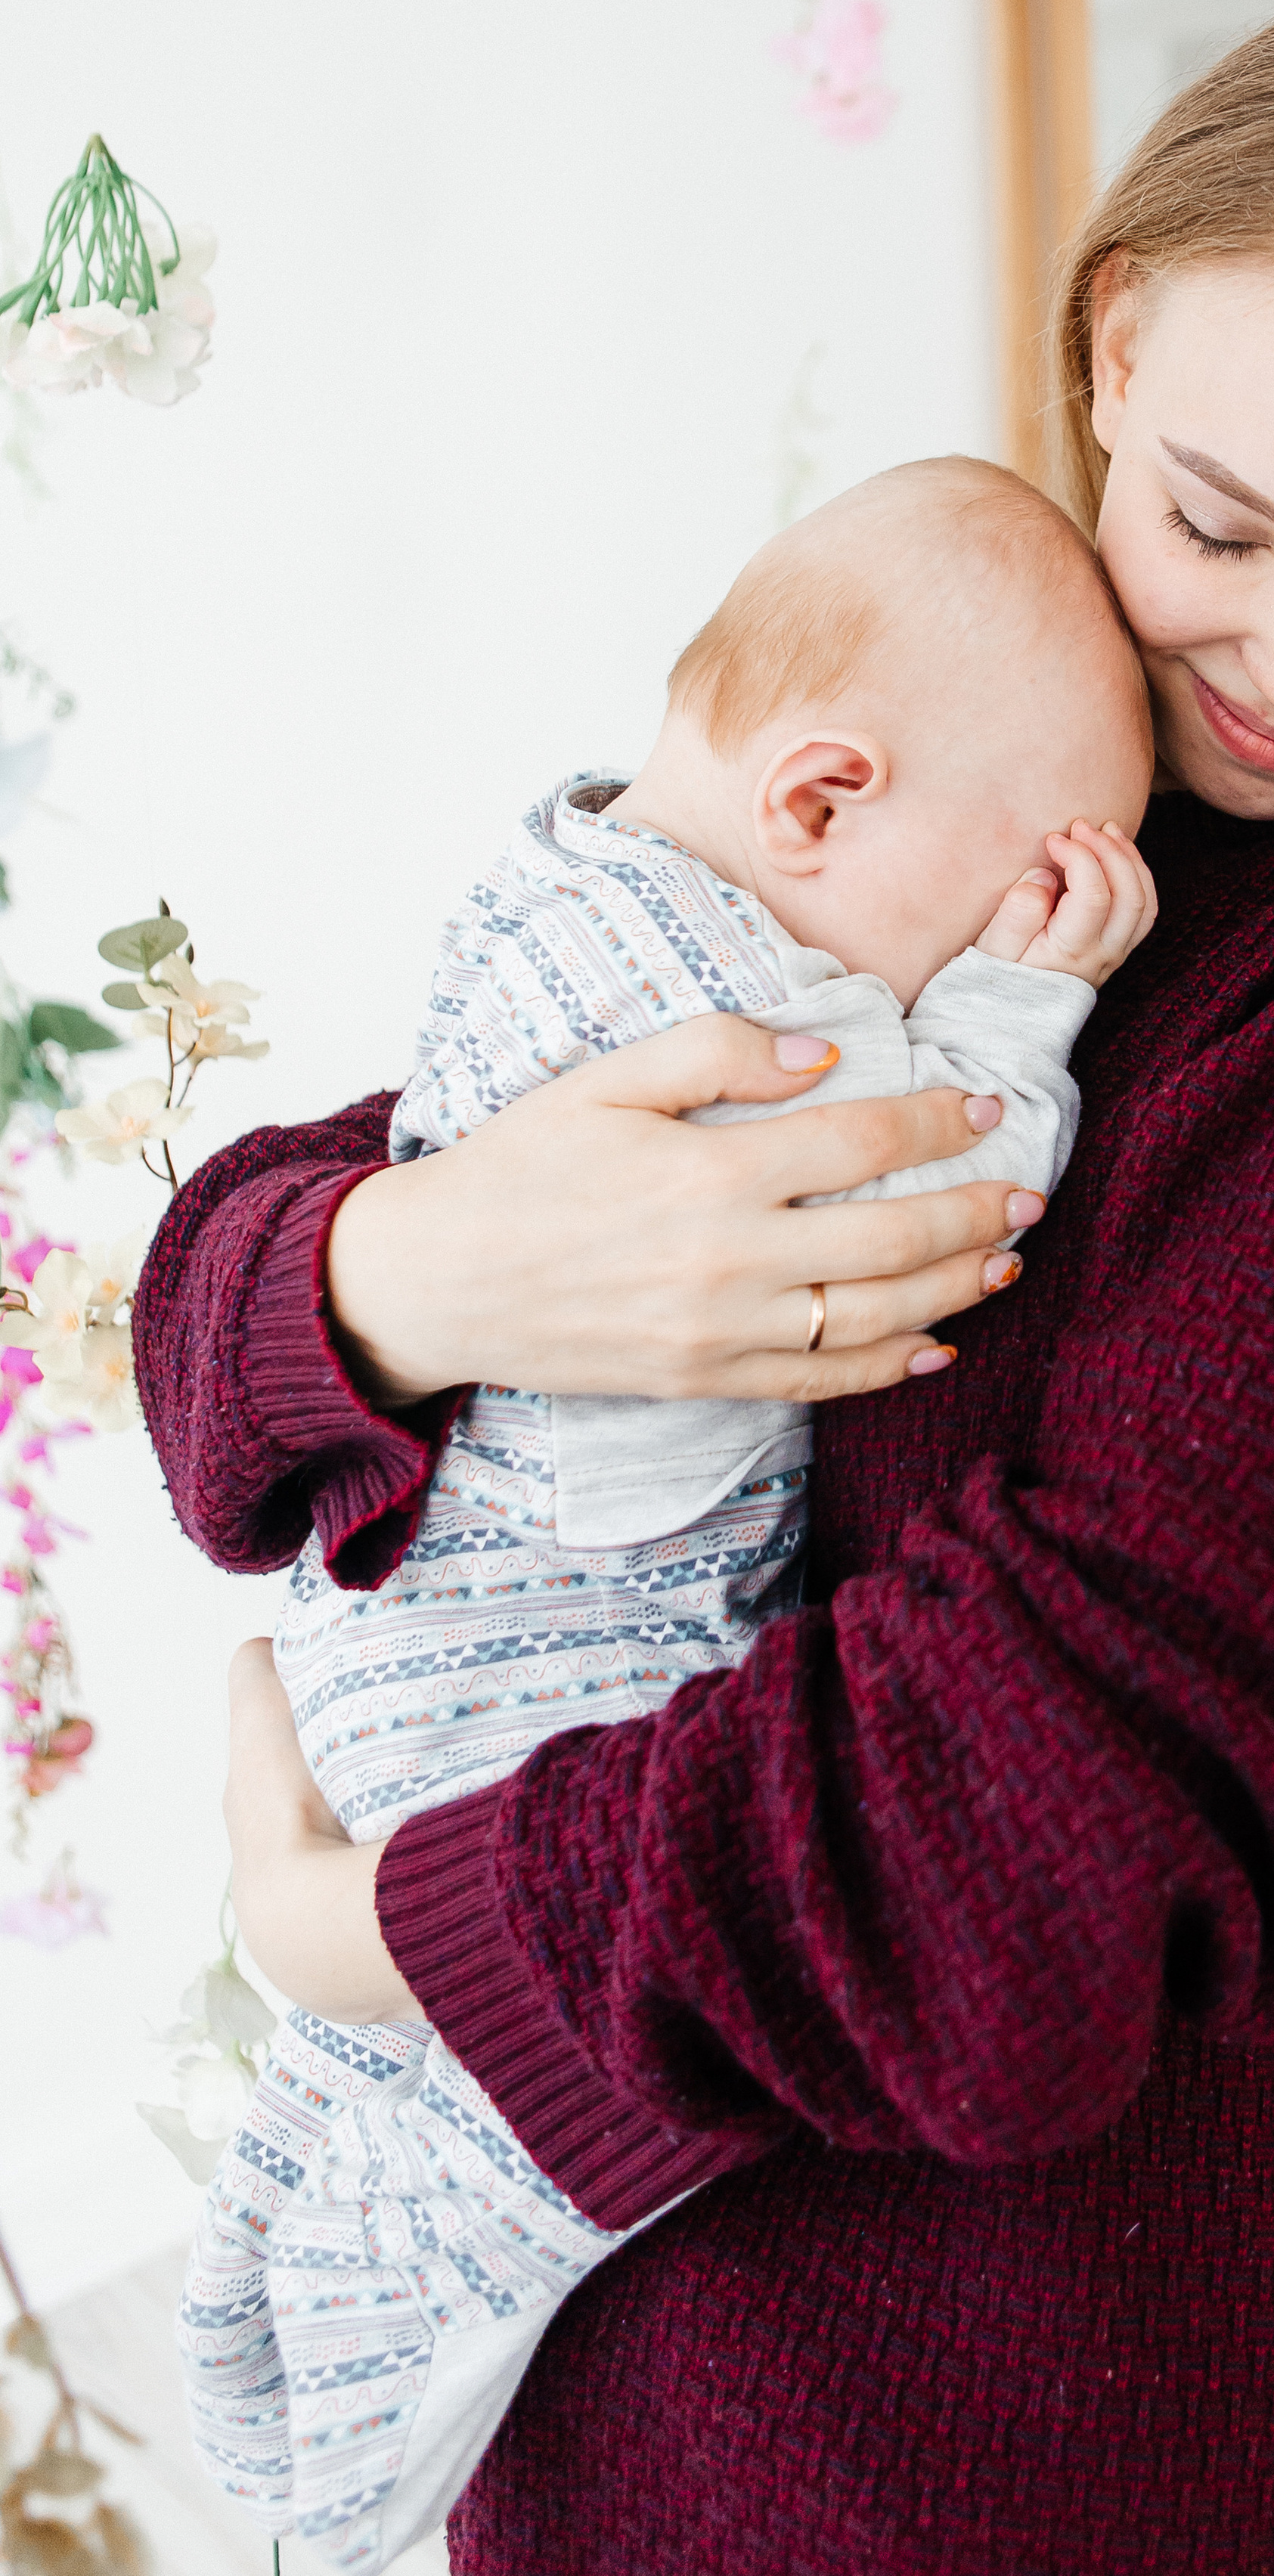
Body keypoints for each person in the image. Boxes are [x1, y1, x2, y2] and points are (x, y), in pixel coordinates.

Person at [137, 0, 1274, 2576]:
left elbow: (1027, 1822)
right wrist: (404, 1268)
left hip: (1051, 2483)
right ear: (1117, 345)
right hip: (646, 2428)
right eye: (1226, 533)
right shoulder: (969, 783)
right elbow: (239, 1328)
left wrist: (387, 1941)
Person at [175, 459, 1156, 2575]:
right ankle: (359, 2369)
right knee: (506, 2128)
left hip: (406, 1616)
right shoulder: (746, 1014)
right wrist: (1028, 1005)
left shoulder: (557, 886)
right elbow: (942, 1193)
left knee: (403, 2072)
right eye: (1015, 886)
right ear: (819, 806)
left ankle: (321, 2243)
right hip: (523, 1644)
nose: (1041, 914)